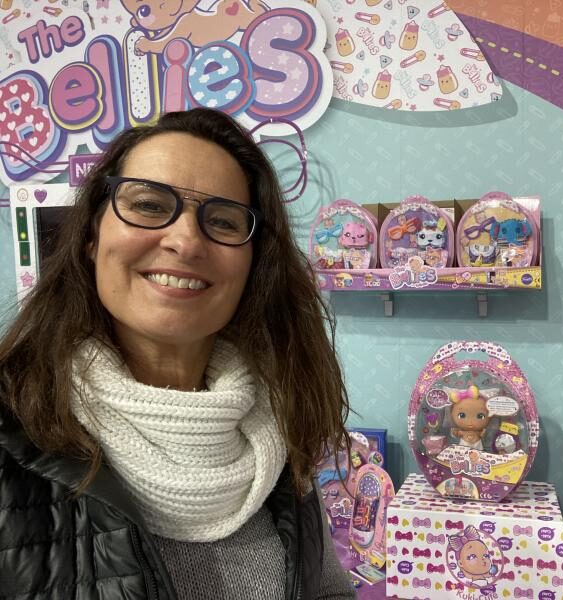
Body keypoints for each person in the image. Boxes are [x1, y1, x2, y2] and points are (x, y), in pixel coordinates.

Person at [0, 108, 356, 599]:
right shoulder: (12, 430)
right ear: (91, 236)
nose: (186, 242)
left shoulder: (279, 423)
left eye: (224, 220)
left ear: (253, 264)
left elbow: (327, 590)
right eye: (149, 205)